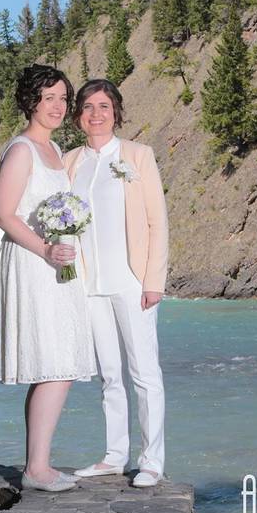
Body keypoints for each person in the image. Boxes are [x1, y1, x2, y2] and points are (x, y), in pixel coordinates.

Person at [0, 64, 97, 492]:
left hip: (58, 260)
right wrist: (47, 250)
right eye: (48, 97)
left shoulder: (54, 150)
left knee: (58, 361)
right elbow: (3, 214)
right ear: (30, 101)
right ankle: (36, 469)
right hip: (35, 262)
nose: (57, 106)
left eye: (62, 97)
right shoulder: (23, 150)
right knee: (55, 362)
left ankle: (38, 463)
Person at [63, 79, 169, 488]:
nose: (96, 113)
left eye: (104, 106)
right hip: (89, 284)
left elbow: (157, 221)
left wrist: (153, 280)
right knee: (109, 374)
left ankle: (152, 461)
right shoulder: (70, 161)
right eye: (88, 107)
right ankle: (113, 456)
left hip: (133, 279)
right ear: (78, 116)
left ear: (116, 112)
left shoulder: (138, 156)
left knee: (144, 372)